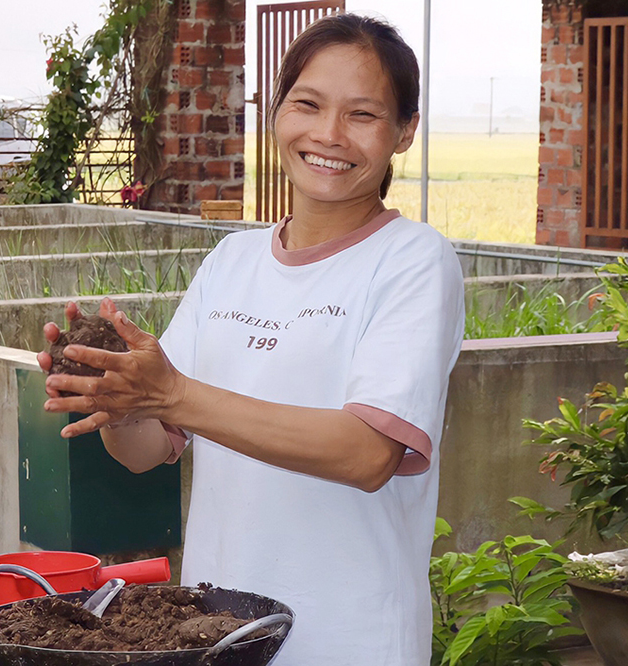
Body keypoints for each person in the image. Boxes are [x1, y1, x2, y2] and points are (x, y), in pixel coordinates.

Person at [38, 13, 464, 665]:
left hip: (348, 641)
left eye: (362, 115)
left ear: (404, 132)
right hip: (217, 638)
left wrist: (173, 395)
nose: (328, 135)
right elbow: (146, 452)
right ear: (276, 112)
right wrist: (122, 403)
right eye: (308, 104)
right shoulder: (233, 263)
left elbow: (367, 454)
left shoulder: (413, 261)